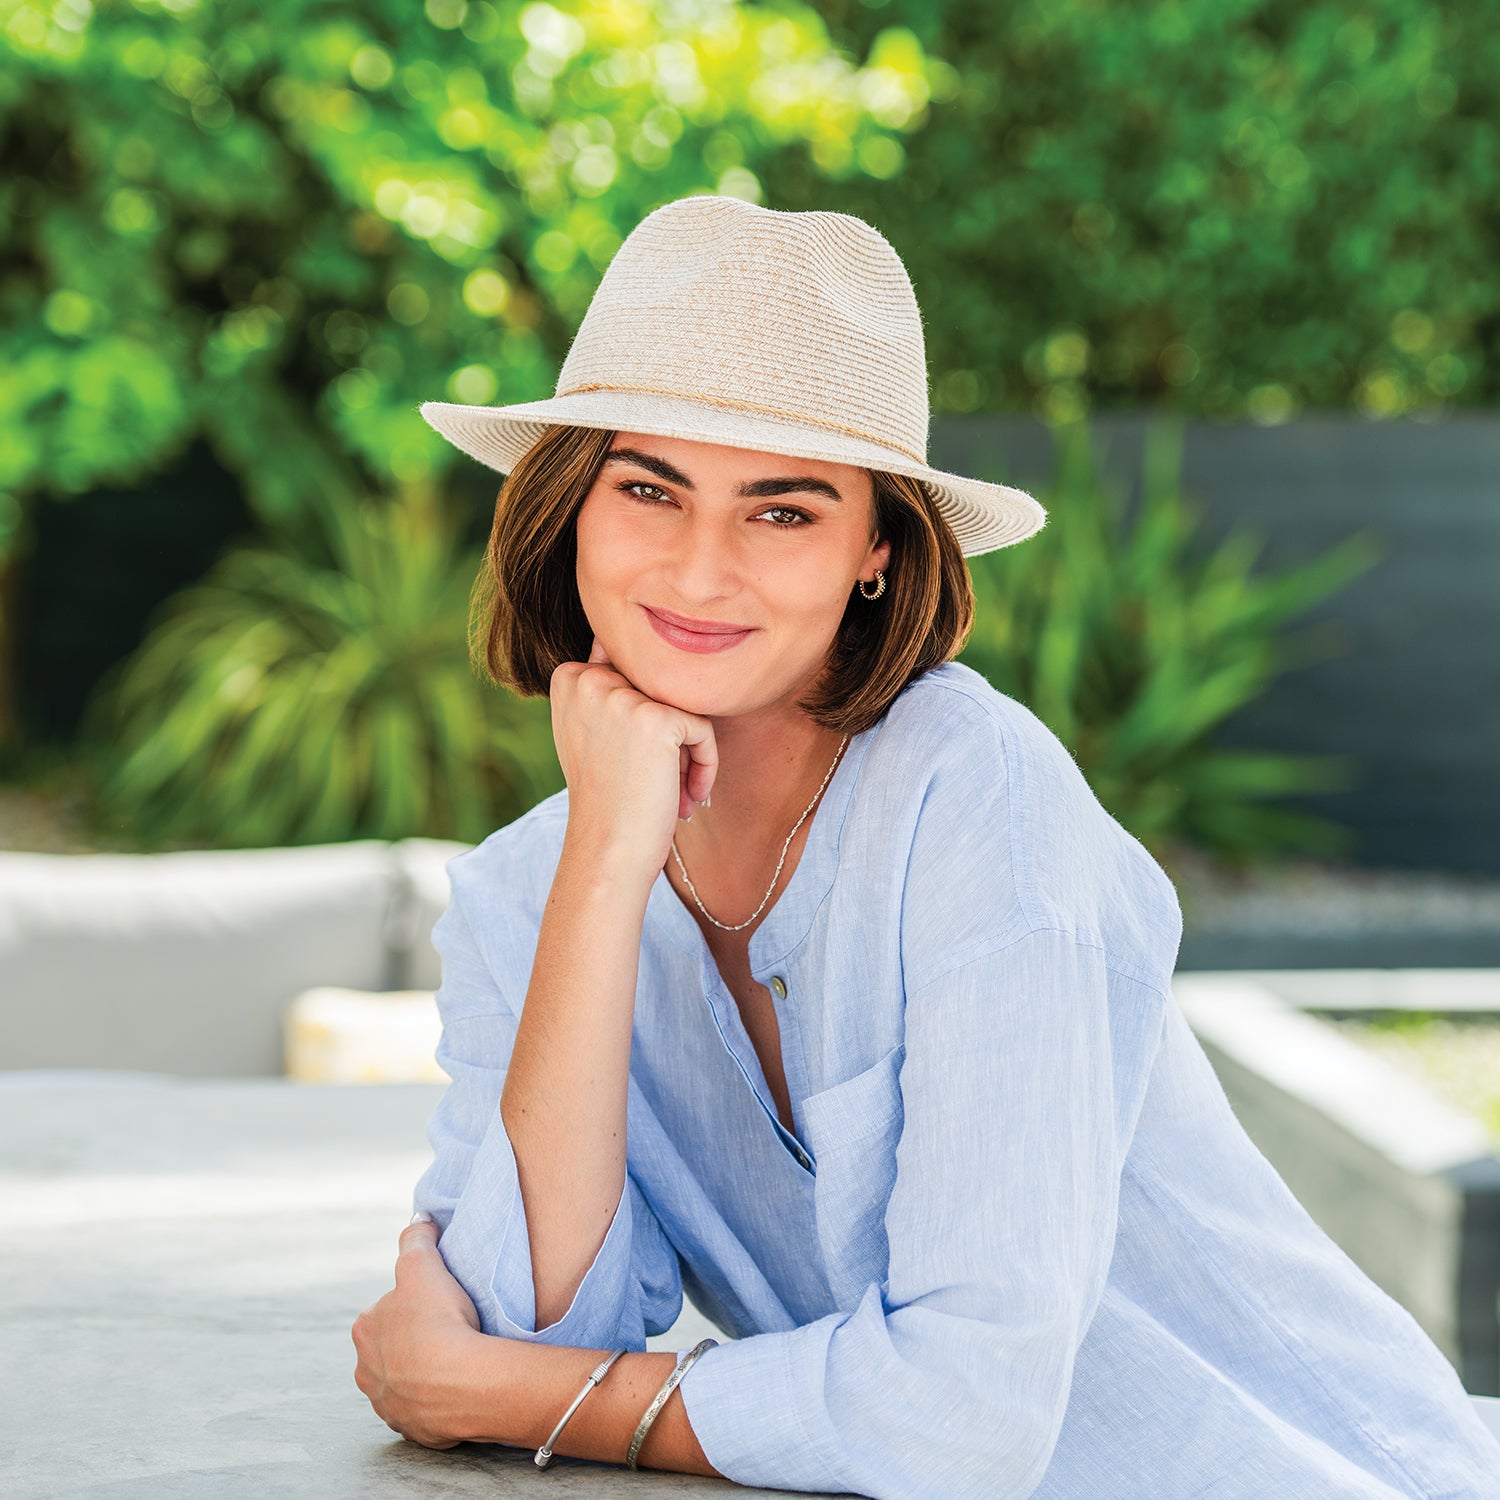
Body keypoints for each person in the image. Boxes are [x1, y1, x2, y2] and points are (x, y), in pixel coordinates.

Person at [351, 195, 1500, 1498]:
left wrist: (550, 1400)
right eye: (647, 489)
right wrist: (608, 868)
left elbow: (963, 1418)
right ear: (569, 510)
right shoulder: (529, 887)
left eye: (782, 511)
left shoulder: (978, 803)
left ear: (877, 553)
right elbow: (521, 1331)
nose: (699, 567)